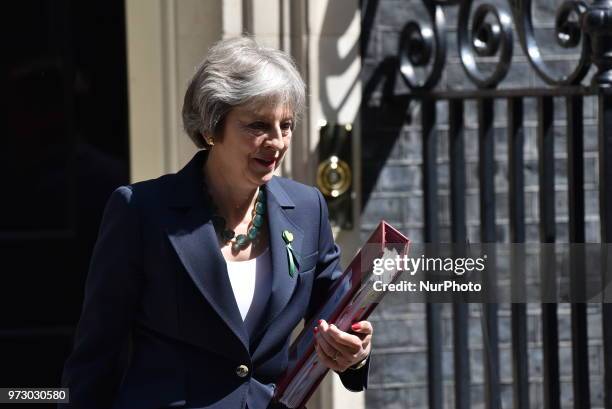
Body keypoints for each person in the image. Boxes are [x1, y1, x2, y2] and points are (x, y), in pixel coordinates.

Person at [60, 36, 372, 409]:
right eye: (258, 125)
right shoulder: (141, 212)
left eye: (285, 125)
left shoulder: (308, 208)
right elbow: (96, 355)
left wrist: (356, 352)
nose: (276, 142)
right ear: (211, 127)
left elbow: (334, 316)